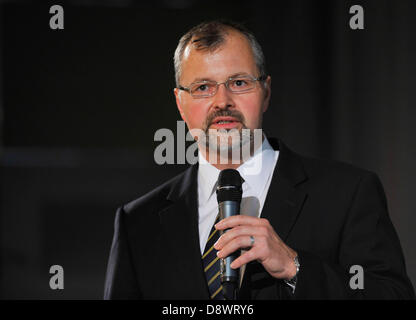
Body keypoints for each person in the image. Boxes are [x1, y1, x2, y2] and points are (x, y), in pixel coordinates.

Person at [103, 20, 414, 299]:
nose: (222, 102)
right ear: (180, 103)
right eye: (203, 88)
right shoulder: (138, 223)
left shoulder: (349, 193)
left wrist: (295, 267)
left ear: (265, 92)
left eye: (239, 83)